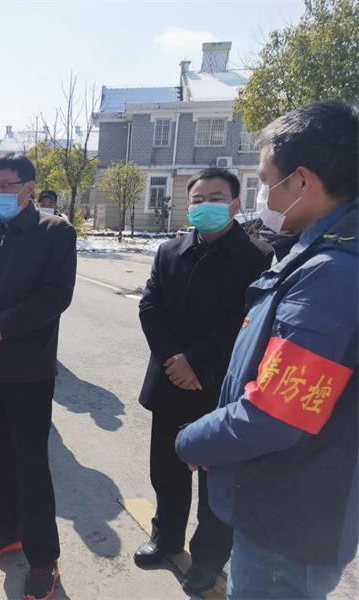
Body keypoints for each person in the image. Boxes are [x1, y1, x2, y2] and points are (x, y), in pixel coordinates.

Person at [176, 101, 358, 599]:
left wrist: (194, 441)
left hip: (289, 518)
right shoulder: (319, 255)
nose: (262, 194)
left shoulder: (330, 275)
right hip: (291, 502)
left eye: (264, 180)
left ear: (302, 181)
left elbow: (278, 413)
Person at [134, 167, 273, 593]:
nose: (205, 206)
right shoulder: (170, 251)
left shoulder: (258, 257)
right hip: (170, 382)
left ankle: (209, 560)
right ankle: (166, 537)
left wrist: (195, 362)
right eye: (197, 199)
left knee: (216, 479)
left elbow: (248, 322)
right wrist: (173, 360)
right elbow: (150, 307)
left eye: (216, 198)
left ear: (235, 204)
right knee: (167, 469)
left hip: (221, 386)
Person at [0, 153, 76, 600]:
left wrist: (0, 325)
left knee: (31, 462)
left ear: (28, 187)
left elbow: (55, 296)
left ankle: (43, 558)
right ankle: (9, 528)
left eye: (7, 184)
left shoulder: (54, 232)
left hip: (29, 368)